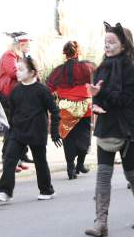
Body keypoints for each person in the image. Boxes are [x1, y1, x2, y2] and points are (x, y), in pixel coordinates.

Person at [85, 22, 134, 237]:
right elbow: (101, 98)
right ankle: (100, 222)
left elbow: (125, 99)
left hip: (127, 126)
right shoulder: (100, 68)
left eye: (112, 42)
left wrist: (102, 96)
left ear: (123, 45)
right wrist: (95, 100)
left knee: (131, 173)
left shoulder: (132, 69)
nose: (108, 46)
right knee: (103, 174)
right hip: (106, 125)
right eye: (105, 42)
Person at [0, 56, 61, 202]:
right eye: (16, 69)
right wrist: (10, 132)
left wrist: (55, 132)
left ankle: (47, 190)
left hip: (37, 132)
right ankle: (5, 191)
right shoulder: (16, 91)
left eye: (21, 70)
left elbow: (55, 111)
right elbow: (12, 114)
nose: (17, 72)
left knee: (40, 162)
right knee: (10, 159)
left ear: (31, 72)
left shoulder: (42, 90)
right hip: (18, 132)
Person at [46, 41, 96, 179]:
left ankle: (71, 168)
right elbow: (98, 80)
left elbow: (48, 89)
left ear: (65, 53)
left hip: (66, 109)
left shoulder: (57, 71)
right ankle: (80, 163)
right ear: (78, 52)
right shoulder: (87, 67)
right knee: (85, 138)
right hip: (84, 108)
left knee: (69, 138)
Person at [0, 32, 34, 172]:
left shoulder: (18, 57)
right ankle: (8, 161)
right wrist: (29, 72)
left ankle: (17, 160)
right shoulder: (9, 56)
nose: (28, 48)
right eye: (27, 45)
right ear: (20, 45)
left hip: (15, 97)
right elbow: (14, 73)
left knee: (17, 129)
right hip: (7, 96)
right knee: (11, 129)